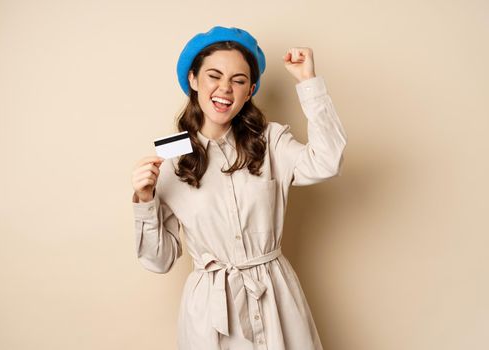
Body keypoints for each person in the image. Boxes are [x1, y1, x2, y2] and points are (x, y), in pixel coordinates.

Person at [131, 25, 347, 350]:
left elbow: (328, 161)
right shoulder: (171, 154)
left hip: (275, 300)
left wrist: (309, 83)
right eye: (214, 76)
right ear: (193, 80)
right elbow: (158, 261)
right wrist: (144, 200)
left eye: (239, 80)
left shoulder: (270, 140)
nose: (225, 89)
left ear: (250, 90)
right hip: (210, 316)